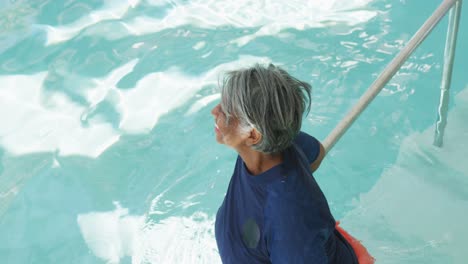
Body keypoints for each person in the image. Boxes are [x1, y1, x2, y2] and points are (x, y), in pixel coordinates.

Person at [211, 64, 373, 263]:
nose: (215, 111)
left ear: (252, 134)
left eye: (226, 111)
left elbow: (291, 223)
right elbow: (317, 154)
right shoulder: (276, 143)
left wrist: (301, 214)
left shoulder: (288, 219)